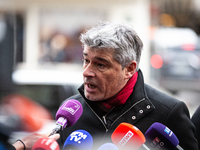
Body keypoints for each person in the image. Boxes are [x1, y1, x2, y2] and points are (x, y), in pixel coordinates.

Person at [57, 22, 198, 149]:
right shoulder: (71, 111)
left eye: (100, 65)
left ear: (129, 69)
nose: (86, 72)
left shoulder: (169, 112)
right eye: (86, 60)